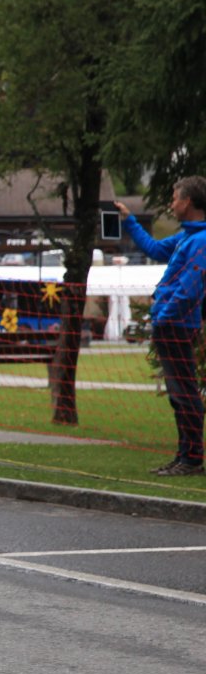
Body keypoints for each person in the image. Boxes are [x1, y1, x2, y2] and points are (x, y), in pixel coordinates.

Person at [119, 177, 206, 475]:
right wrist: (129, 221)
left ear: (188, 202)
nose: (171, 203)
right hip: (171, 323)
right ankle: (184, 456)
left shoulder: (200, 241)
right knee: (178, 393)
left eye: (175, 198)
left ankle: (191, 459)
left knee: (184, 392)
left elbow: (189, 289)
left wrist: (163, 316)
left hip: (177, 325)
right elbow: (155, 249)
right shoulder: (187, 237)